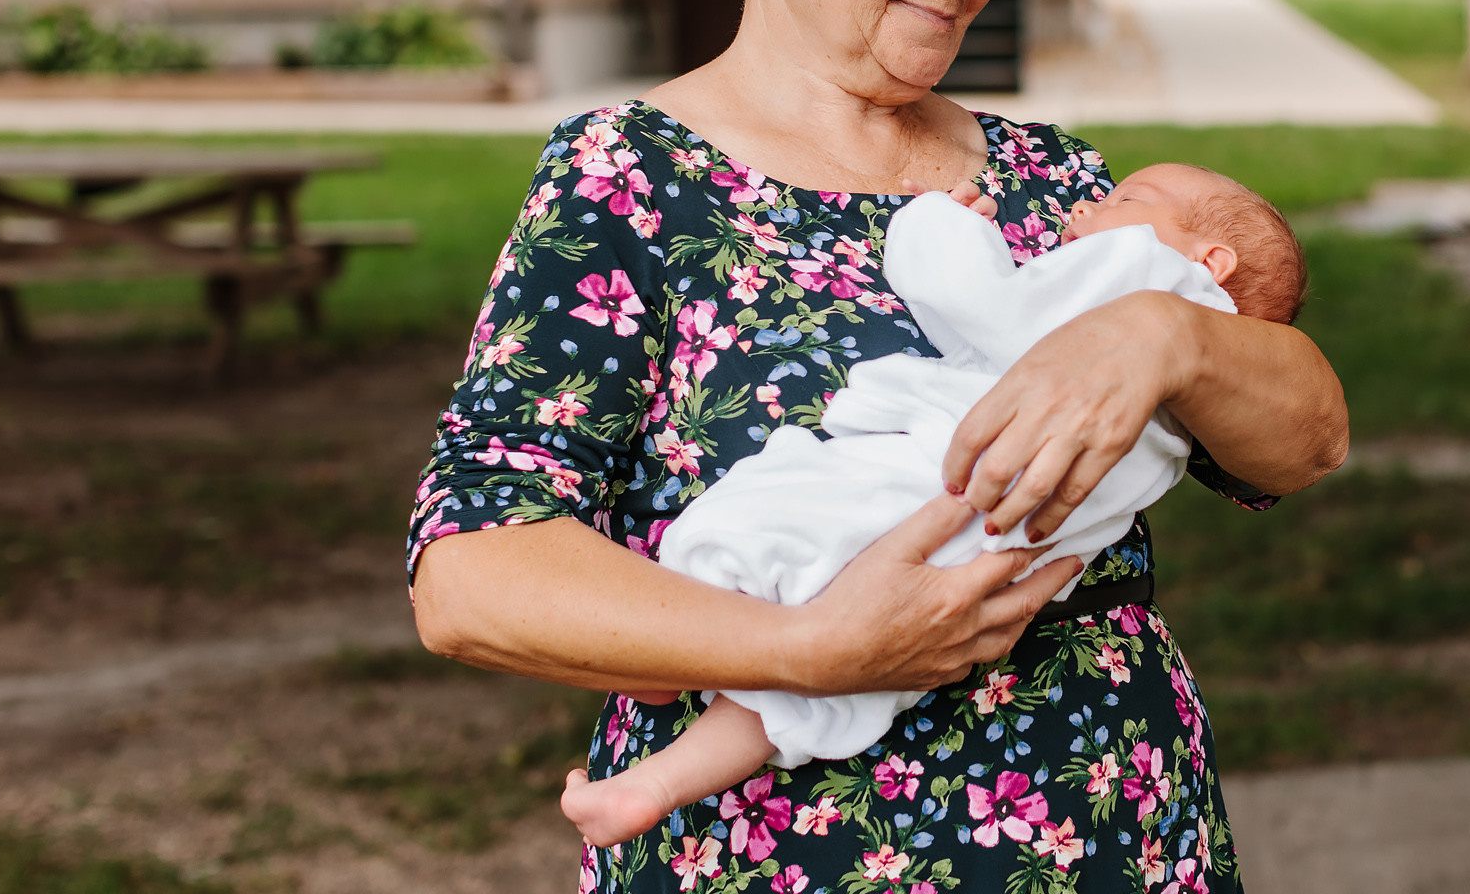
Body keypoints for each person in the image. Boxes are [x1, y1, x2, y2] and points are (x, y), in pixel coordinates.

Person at [408, 0, 1345, 894]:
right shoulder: (629, 185)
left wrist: (1174, 335)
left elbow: (1307, 438)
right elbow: (470, 570)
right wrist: (812, 651)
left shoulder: (1063, 190)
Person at [557, 164, 1308, 849]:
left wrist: (940, 225)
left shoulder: (1153, 278)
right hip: (990, 569)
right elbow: (997, 348)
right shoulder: (1183, 407)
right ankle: (649, 785)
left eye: (1127, 200)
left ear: (1210, 265)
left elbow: (992, 310)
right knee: (807, 702)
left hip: (936, 481)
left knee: (765, 517)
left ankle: (670, 654)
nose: (1092, 203)